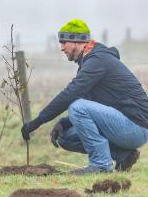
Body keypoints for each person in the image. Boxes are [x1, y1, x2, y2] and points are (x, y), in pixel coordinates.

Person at [21, 19, 148, 175]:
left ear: (77, 41)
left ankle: (101, 165)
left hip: (136, 127)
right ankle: (123, 155)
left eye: (64, 42)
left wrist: (37, 122)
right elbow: (92, 103)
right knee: (65, 137)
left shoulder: (98, 60)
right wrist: (65, 122)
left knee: (77, 107)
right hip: (124, 125)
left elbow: (70, 94)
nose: (61, 48)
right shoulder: (90, 62)